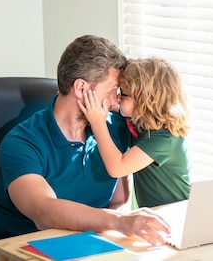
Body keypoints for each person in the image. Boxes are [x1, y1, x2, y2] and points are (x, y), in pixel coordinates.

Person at [0, 35, 170, 261]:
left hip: (87, 248)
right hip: (13, 251)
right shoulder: (21, 142)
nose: (115, 102)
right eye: (111, 91)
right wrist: (119, 222)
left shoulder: (115, 130)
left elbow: (118, 201)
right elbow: (44, 212)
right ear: (81, 88)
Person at [78, 57, 191, 208]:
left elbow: (117, 168)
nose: (117, 98)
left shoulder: (165, 138)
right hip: (156, 214)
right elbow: (117, 108)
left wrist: (97, 123)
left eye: (122, 93)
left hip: (176, 214)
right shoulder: (141, 121)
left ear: (144, 100)